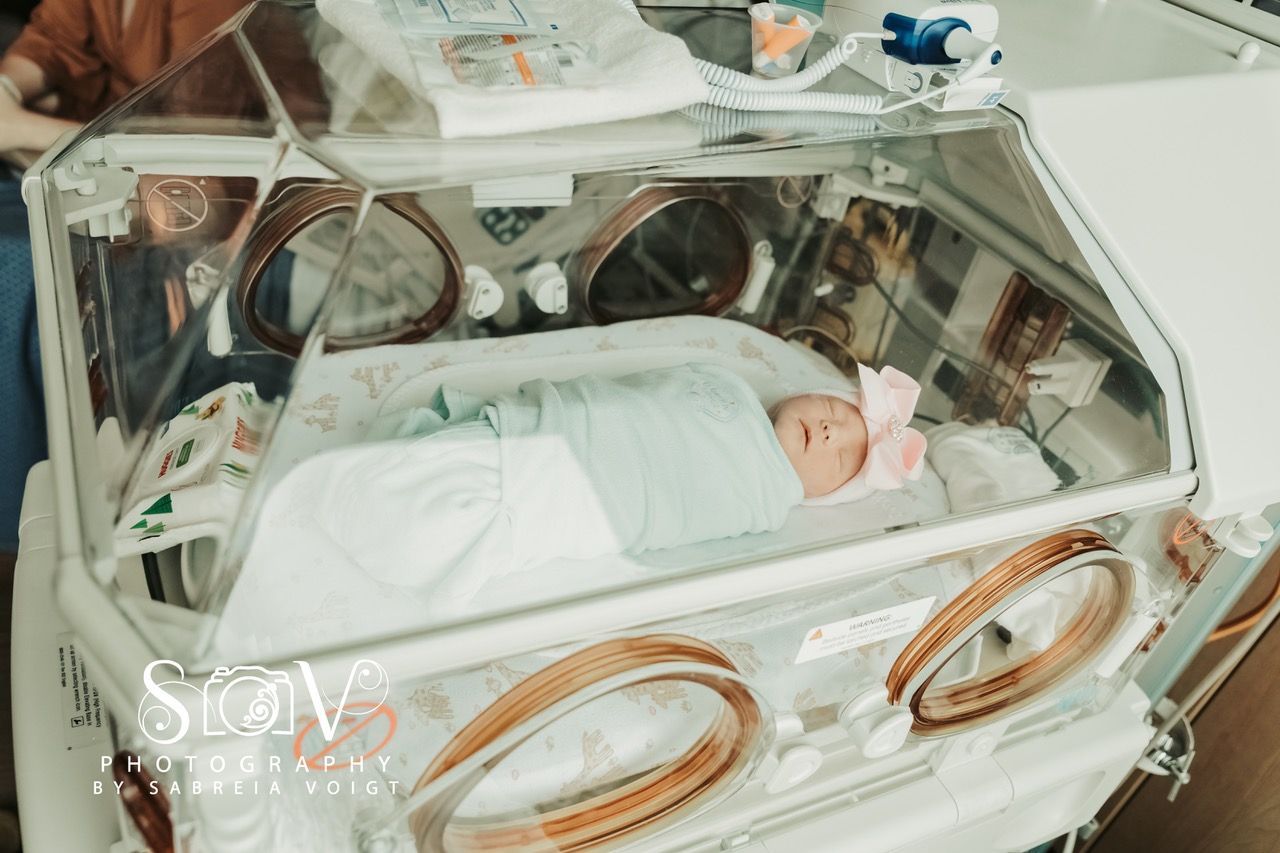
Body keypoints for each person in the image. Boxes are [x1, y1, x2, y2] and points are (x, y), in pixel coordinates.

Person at [246, 361, 927, 613]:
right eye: (836, 415)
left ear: (819, 495)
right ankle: (284, 506)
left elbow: (665, 506)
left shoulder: (759, 500)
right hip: (532, 439)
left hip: (555, 495)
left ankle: (295, 526)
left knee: (414, 528)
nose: (831, 434)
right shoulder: (725, 386)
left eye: (842, 457)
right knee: (401, 481)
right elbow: (630, 398)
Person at [0, 0, 249, 549]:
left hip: (180, 203)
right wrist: (8, 91)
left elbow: (188, 158)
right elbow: (55, 37)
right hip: (94, 162)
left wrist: (22, 127)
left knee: (13, 276)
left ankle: (33, 520)